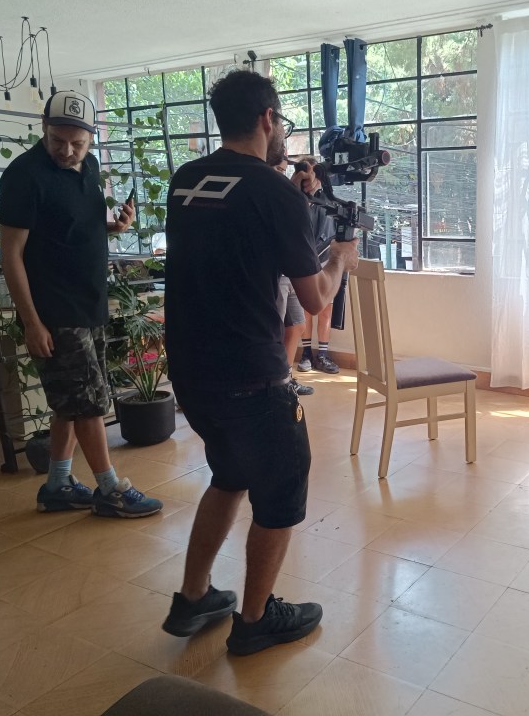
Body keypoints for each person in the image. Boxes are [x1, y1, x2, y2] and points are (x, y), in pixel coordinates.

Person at [160, 70, 359, 656]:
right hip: (251, 374)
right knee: (280, 491)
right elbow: (315, 298)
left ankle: (194, 597)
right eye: (283, 125)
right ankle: (253, 621)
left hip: (192, 369)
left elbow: (235, 240)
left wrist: (298, 204)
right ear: (268, 118)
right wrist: (341, 257)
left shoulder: (186, 180)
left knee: (229, 474)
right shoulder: (274, 193)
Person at [0, 90, 163, 518]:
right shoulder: (24, 176)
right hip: (55, 310)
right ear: (44, 128)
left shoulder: (87, 167)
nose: (67, 151)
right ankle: (110, 490)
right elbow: (11, 254)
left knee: (71, 402)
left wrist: (114, 226)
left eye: (78, 143)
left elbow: (71, 228)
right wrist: (32, 322)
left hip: (90, 302)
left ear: (91, 139)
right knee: (89, 403)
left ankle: (57, 484)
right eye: (58, 141)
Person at [295, 156, 340, 375]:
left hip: (326, 259)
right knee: (306, 309)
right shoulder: (295, 199)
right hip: (304, 259)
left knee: (325, 309)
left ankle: (322, 354)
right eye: (307, 174)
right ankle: (306, 354)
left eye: (315, 173)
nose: (311, 179)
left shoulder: (329, 200)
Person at [273, 156, 314, 396]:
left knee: (298, 325)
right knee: (276, 330)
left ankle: (286, 379)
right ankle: (278, 380)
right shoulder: (273, 195)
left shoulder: (300, 197)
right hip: (275, 273)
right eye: (278, 170)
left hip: (293, 272)